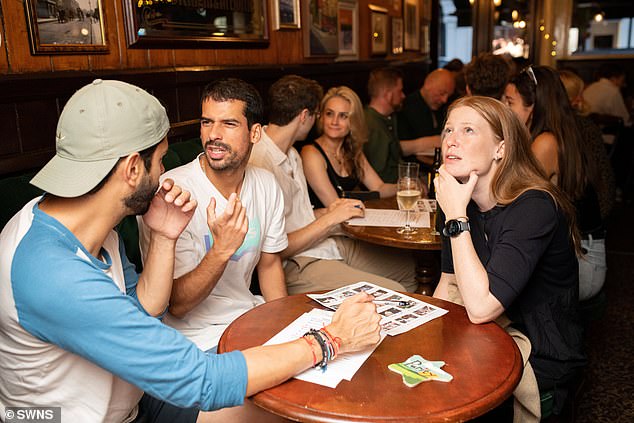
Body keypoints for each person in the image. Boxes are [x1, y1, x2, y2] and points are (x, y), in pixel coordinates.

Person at [0, 79, 382, 422]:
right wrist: (331, 340)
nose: (166, 171)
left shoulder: (94, 231)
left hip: (133, 396)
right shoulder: (50, 269)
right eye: (161, 159)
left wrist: (164, 236)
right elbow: (200, 381)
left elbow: (145, 309)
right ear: (134, 168)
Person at [434, 95, 586, 419]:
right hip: (486, 335)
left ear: (500, 149)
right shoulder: (455, 198)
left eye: (468, 130)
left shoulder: (534, 206)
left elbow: (480, 307)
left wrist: (456, 215)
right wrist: (428, 343)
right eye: (448, 130)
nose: (452, 140)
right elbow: (448, 284)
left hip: (541, 350)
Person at [138, 78, 288, 352]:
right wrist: (221, 250)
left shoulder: (266, 183)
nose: (213, 135)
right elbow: (178, 305)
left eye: (228, 124)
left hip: (251, 319)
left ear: (255, 133)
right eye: (207, 122)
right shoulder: (171, 194)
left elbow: (269, 265)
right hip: (196, 340)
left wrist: (284, 325)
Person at [249, 75, 417, 294]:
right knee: (391, 290)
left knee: (407, 267)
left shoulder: (292, 153)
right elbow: (271, 251)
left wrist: (329, 211)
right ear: (304, 116)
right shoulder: (259, 162)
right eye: (322, 114)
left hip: (324, 244)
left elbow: (300, 216)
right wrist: (329, 219)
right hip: (297, 263)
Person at [504, 66, 606, 301]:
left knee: (501, 283)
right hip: (571, 250)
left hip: (584, 260)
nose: (505, 109)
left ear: (533, 107)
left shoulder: (546, 142)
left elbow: (511, 197)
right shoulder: (549, 135)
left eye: (510, 102)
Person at [301, 86, 396, 209]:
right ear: (322, 117)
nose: (334, 122)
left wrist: (406, 187)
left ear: (353, 121)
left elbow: (379, 188)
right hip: (327, 224)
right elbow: (334, 207)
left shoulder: (352, 151)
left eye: (343, 116)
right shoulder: (311, 153)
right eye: (329, 114)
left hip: (349, 220)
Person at [364, 67, 444, 183]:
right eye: (400, 91)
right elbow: (381, 174)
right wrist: (412, 183)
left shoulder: (389, 118)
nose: (403, 96)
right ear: (388, 95)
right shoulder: (371, 124)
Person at [559, 69, 616, 222]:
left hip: (582, 215)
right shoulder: (576, 126)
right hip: (577, 215)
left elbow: (602, 174)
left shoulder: (583, 128)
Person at [397, 68, 456, 159]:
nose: (444, 100)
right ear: (428, 84)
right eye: (441, 93)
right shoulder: (405, 108)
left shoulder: (445, 107)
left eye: (448, 95)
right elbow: (399, 147)